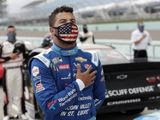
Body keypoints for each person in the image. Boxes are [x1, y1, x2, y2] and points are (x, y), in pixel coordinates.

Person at [29, 6, 105, 120]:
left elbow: (100, 96)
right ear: (52, 30)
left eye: (72, 21)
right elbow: (49, 107)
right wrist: (79, 84)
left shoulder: (92, 58)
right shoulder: (41, 62)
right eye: (63, 22)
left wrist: (87, 113)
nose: (69, 25)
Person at [1, 25, 28, 120]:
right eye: (9, 32)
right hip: (8, 71)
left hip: (18, 70)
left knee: (20, 93)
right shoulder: (3, 45)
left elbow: (25, 57)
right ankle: (7, 114)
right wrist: (10, 57)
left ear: (15, 32)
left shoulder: (20, 44)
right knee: (8, 93)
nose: (11, 34)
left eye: (13, 32)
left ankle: (21, 112)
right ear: (7, 33)